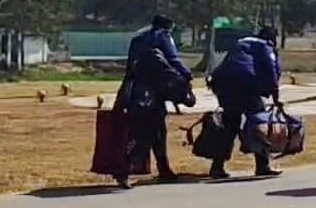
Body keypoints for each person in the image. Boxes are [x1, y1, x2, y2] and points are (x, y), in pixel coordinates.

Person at [111, 15, 193, 189]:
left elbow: (129, 67)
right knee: (147, 133)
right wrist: (186, 76)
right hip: (153, 93)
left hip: (135, 91)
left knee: (152, 132)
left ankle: (163, 169)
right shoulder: (163, 36)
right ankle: (124, 170)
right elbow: (173, 60)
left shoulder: (137, 39)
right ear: (168, 26)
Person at [206, 26, 283, 179]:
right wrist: (275, 96)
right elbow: (271, 70)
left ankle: (217, 167)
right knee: (259, 124)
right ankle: (263, 165)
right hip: (245, 85)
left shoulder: (240, 44)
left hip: (223, 85)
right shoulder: (264, 46)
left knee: (229, 126)